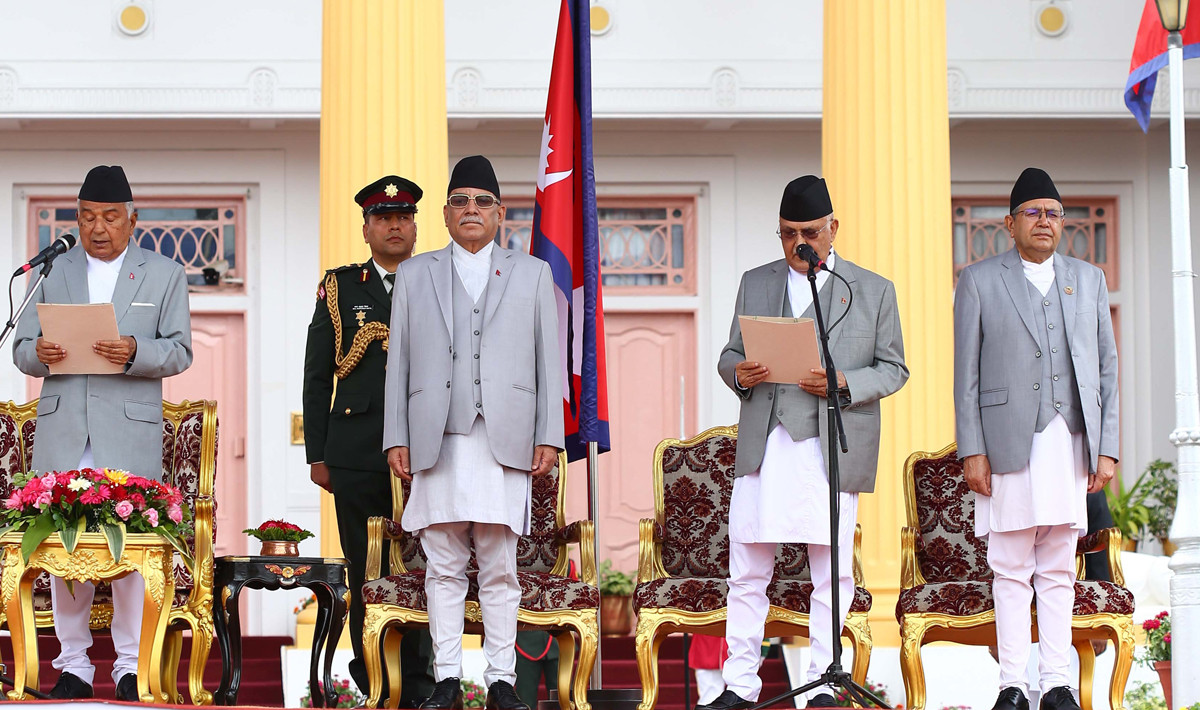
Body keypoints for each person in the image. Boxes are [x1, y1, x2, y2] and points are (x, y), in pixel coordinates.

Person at [702, 176, 908, 710]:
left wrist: (843, 383)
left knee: (831, 569)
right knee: (747, 569)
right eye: (789, 233)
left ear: (832, 228)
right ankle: (740, 685)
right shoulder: (756, 281)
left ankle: (823, 680)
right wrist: (741, 374)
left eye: (810, 232)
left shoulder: (873, 289)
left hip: (830, 447)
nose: (800, 244)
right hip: (765, 444)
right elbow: (728, 355)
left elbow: (894, 369)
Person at [382, 155, 563, 710]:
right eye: (460, 201)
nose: (471, 210)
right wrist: (396, 435)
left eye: (481, 201)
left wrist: (549, 435)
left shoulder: (533, 273)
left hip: (505, 435)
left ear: (500, 213)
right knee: (442, 561)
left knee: (500, 561)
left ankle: (502, 680)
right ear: (444, 213)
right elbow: (401, 363)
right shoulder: (416, 273)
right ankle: (446, 679)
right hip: (438, 434)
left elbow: (547, 362)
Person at [13, 165, 193, 701]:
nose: (98, 228)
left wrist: (138, 351)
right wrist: (39, 355)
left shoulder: (164, 274)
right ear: (77, 218)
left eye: (111, 218)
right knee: (66, 544)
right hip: (65, 430)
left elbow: (181, 350)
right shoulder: (51, 270)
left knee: (132, 552)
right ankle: (73, 665)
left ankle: (130, 666)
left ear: (132, 220)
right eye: (88, 217)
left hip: (129, 433)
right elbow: (23, 349)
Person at [953, 167, 1118, 710]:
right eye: (1032, 212)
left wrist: (1107, 447)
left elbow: (1108, 373)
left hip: (1069, 441)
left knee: (1056, 564)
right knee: (1010, 563)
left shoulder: (1088, 279)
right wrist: (971, 448)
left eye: (1052, 213)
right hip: (1005, 442)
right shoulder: (979, 281)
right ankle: (1011, 685)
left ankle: (1056, 682)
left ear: (1061, 221)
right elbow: (967, 376)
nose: (1043, 221)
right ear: (1010, 223)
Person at [302, 175, 435, 707]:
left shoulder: (437, 279)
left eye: (403, 217)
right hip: (356, 451)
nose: (394, 225)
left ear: (415, 226)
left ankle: (422, 684)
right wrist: (318, 453)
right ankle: (377, 679)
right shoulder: (340, 286)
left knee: (428, 570)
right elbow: (316, 375)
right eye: (383, 218)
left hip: (428, 453)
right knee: (367, 569)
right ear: (366, 229)